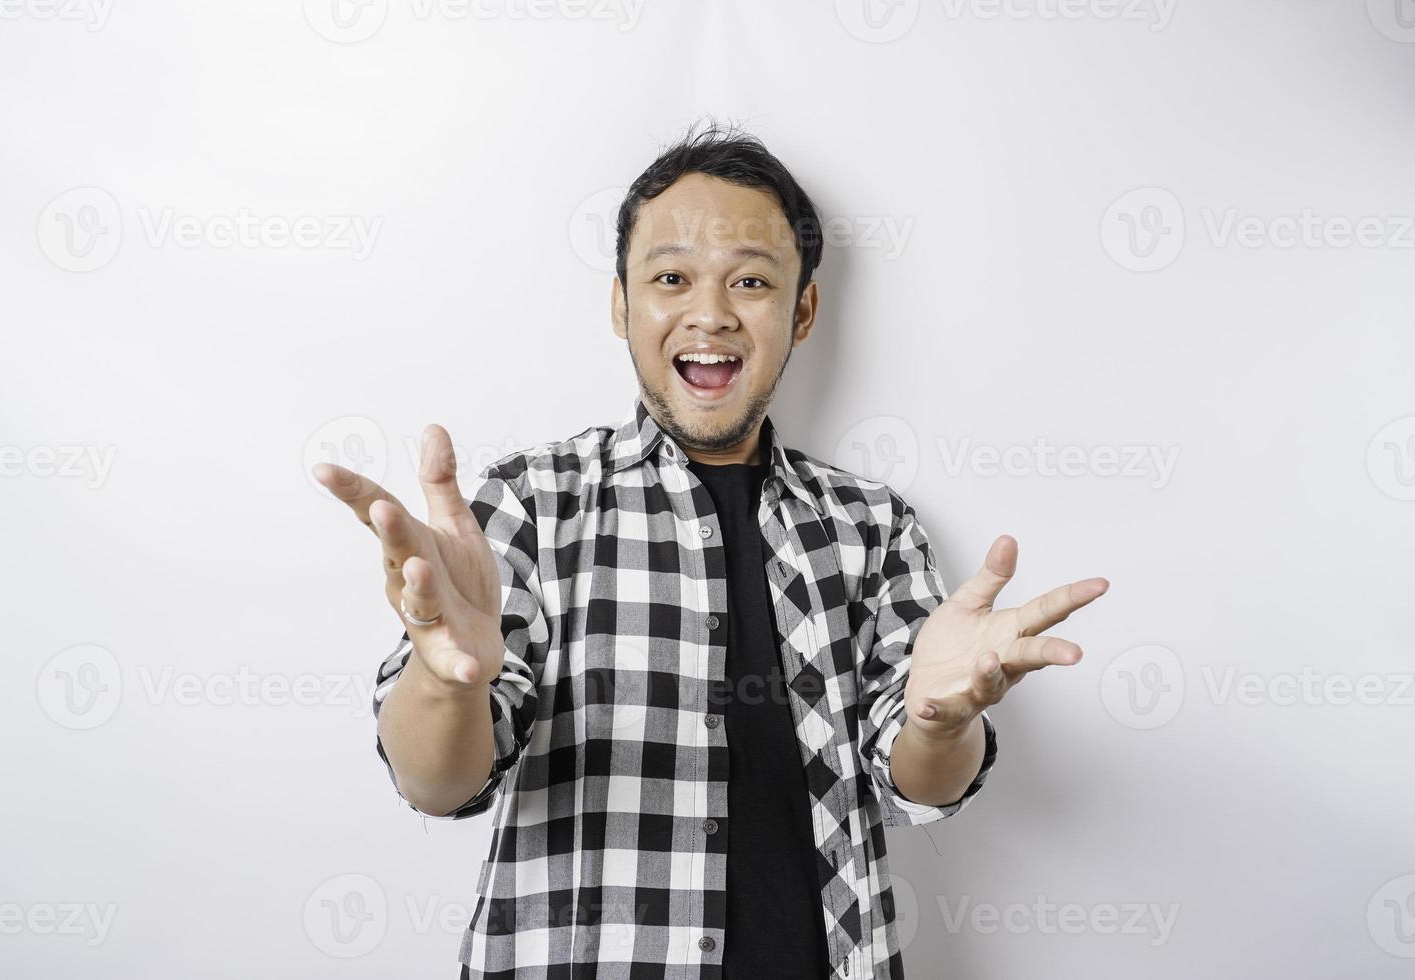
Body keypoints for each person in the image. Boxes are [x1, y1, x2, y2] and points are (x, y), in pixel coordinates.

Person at [313, 121, 1109, 979]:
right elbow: (437, 786)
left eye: (751, 282)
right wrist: (444, 681)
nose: (712, 313)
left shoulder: (874, 526)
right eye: (671, 278)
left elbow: (923, 785)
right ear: (622, 303)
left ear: (803, 311)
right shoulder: (530, 506)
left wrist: (939, 722)